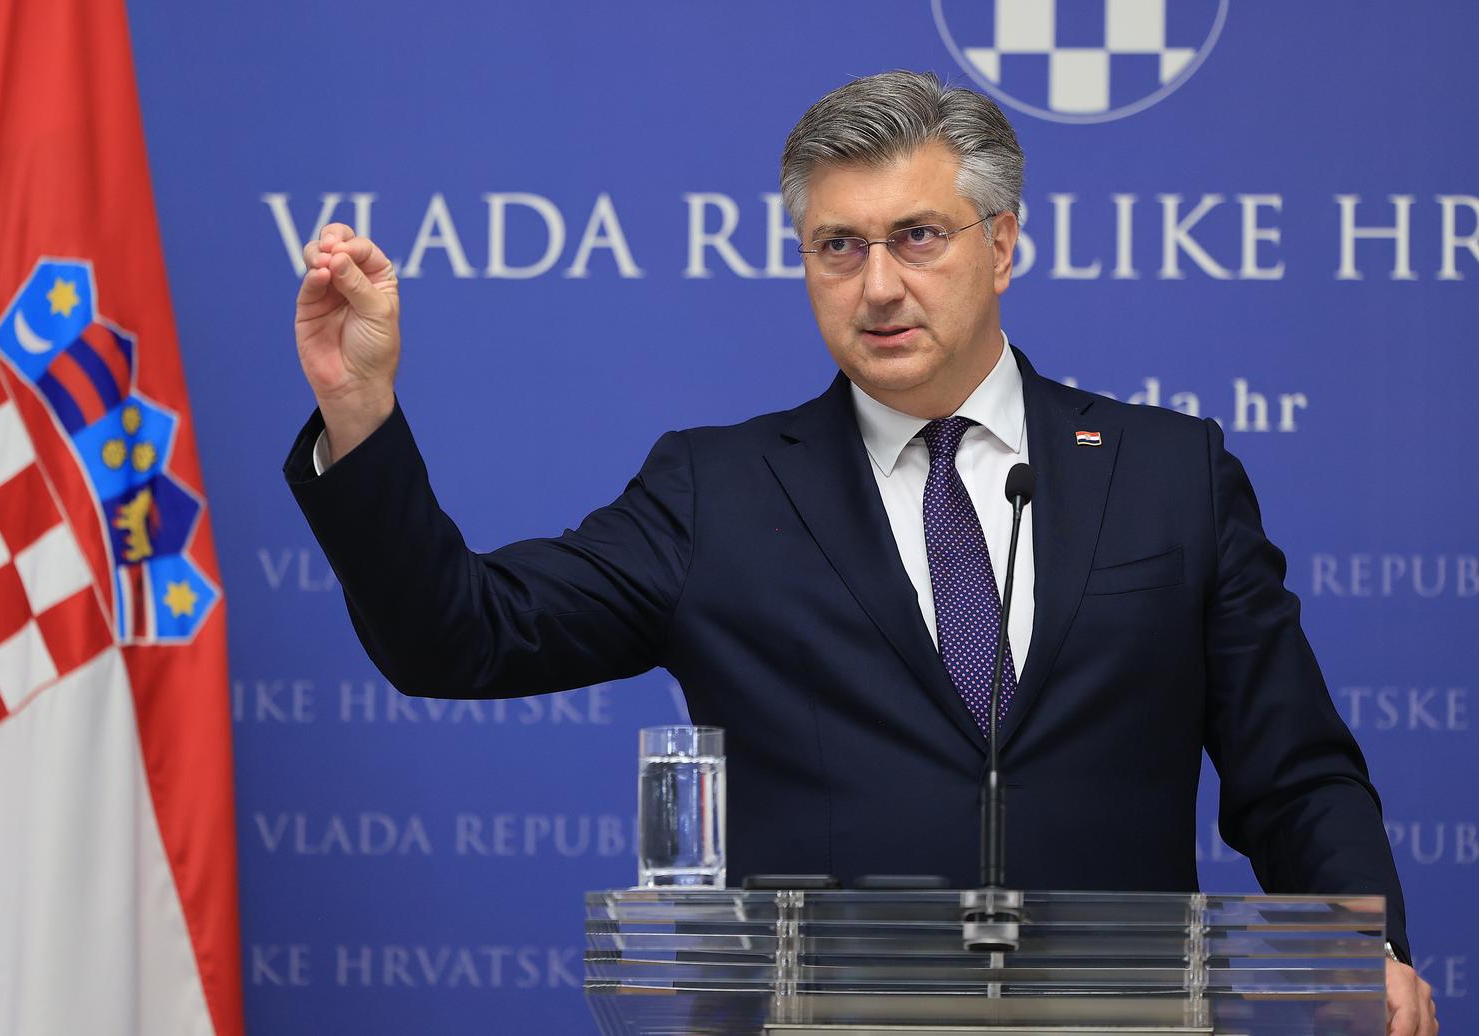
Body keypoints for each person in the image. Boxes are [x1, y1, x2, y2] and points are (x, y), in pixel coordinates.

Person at [282, 71, 1436, 1033]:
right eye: (837, 246)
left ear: (1001, 243)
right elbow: (461, 636)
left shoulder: (1168, 472)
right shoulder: (717, 490)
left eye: (915, 237)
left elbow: (1294, 772)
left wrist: (1362, 946)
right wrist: (360, 415)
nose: (876, 285)